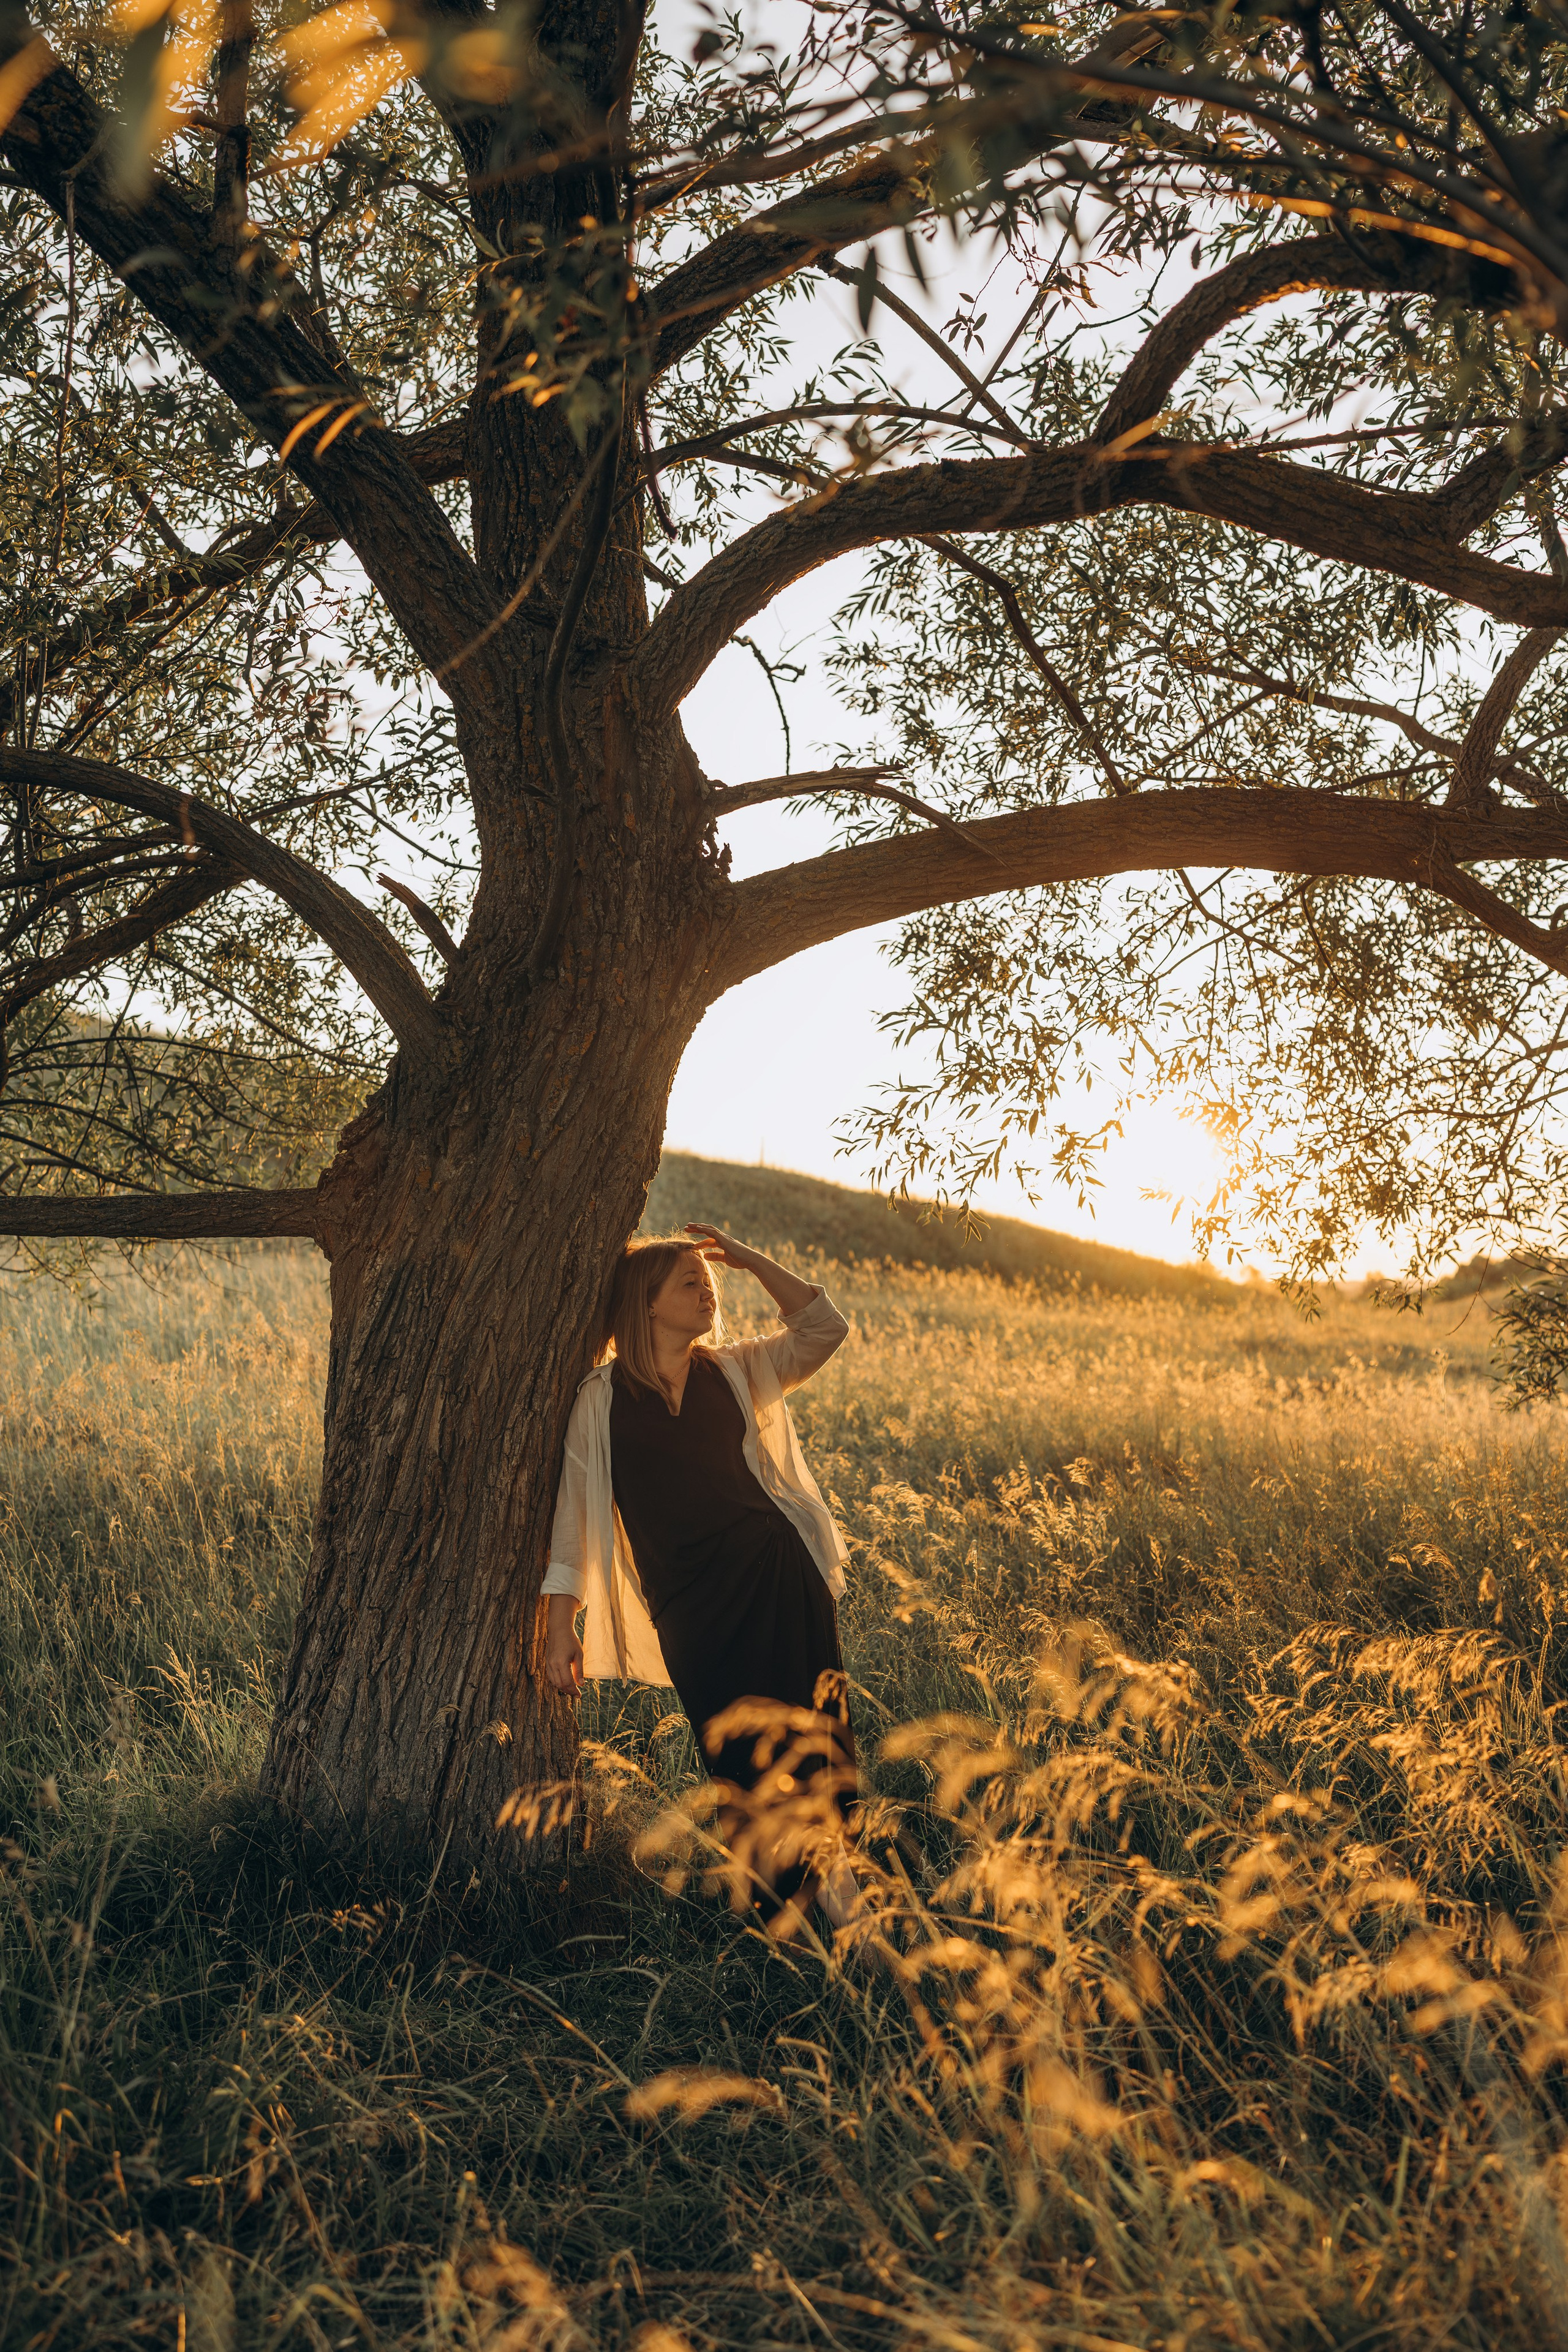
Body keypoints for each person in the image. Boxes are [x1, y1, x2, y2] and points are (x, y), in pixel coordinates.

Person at [540, 1224, 858, 1930]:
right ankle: (787, 1914)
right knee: (737, 1752)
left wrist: (747, 1257)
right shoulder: (600, 1400)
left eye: (708, 1279)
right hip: (693, 1610)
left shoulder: (738, 1369)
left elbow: (823, 1326)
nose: (707, 1289)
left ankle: (845, 1893)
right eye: (689, 1280)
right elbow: (574, 1520)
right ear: (645, 1304)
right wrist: (561, 1625)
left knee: (818, 1733)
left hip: (779, 1578)